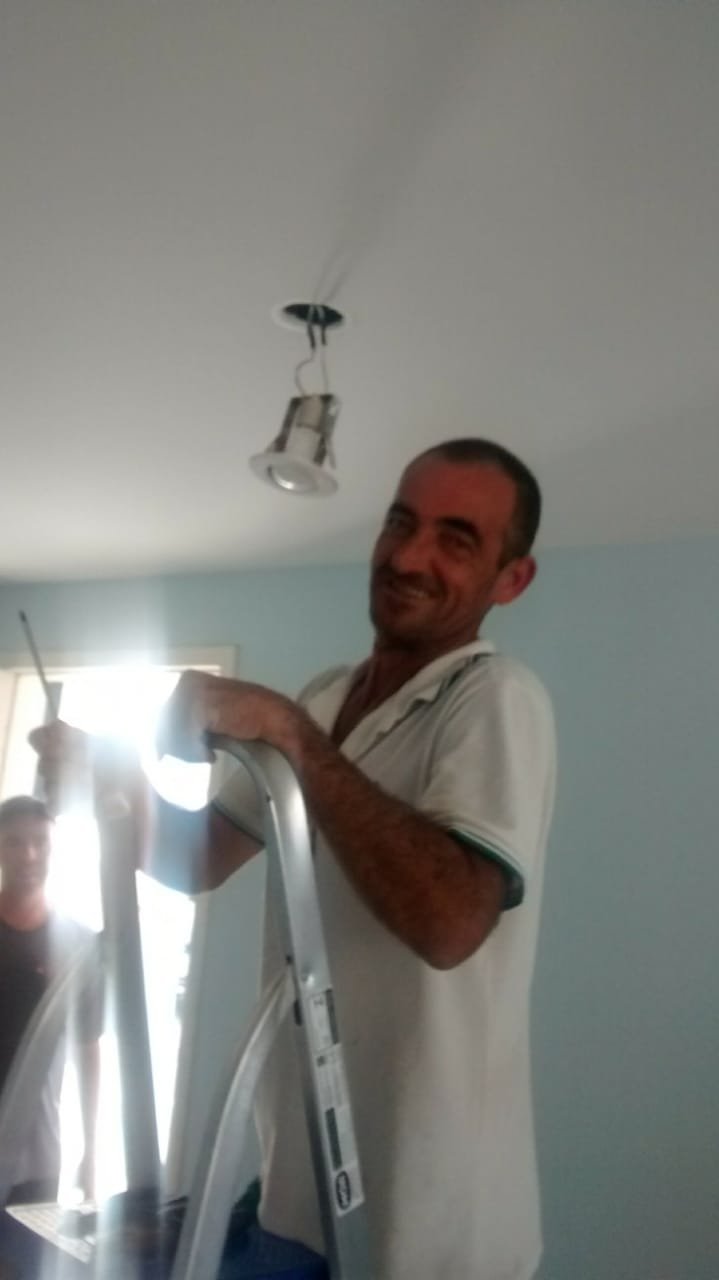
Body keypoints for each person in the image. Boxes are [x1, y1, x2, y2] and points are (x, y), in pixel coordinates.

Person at [31, 438, 556, 1279]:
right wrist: (109, 784)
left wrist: (292, 737)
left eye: (455, 540)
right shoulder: (328, 695)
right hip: (300, 1183)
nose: (408, 557)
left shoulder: (495, 698)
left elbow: (451, 924)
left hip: (429, 1218)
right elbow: (198, 859)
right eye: (400, 524)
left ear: (510, 579)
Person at [0, 795, 101, 1206]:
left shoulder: (79, 945)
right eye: (14, 842)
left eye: (40, 842)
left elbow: (88, 1050)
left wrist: (91, 1149)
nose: (29, 855)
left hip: (36, 1154)